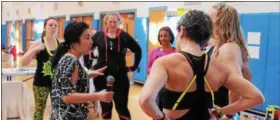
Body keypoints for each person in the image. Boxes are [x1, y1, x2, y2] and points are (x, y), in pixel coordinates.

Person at [139, 10, 264, 120]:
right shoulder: (219, 68)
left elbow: (145, 100)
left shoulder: (165, 63)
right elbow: (256, 97)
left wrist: (160, 118)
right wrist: (221, 112)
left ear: (182, 31)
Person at [50, 22, 113, 120]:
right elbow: (67, 97)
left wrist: (87, 74)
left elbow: (68, 82)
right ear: (74, 41)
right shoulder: (71, 62)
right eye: (87, 38)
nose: (91, 42)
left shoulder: (68, 58)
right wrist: (98, 96)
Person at [91, 11, 142, 120]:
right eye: (110, 21)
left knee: (121, 106)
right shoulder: (99, 36)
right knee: (105, 106)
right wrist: (88, 66)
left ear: (119, 22)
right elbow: (87, 49)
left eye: (115, 21)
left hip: (120, 77)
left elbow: (138, 50)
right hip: (101, 77)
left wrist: (134, 67)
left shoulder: (124, 36)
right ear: (106, 22)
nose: (112, 24)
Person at [208, 3, 252, 118]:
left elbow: (237, 88)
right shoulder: (218, 46)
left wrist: (228, 114)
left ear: (221, 23)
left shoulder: (228, 48)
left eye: (209, 19)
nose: (206, 23)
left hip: (221, 113)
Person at [20, 17, 59, 120]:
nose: (53, 27)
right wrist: (35, 50)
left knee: (57, 109)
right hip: (41, 83)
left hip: (56, 83)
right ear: (45, 27)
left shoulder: (60, 44)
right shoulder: (37, 43)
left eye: (56, 25)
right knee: (39, 109)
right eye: (50, 25)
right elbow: (23, 62)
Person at [147, 26, 176, 112]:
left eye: (165, 36)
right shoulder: (153, 52)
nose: (163, 38)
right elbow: (149, 68)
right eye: (161, 36)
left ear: (170, 37)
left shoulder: (176, 52)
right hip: (157, 85)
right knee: (156, 108)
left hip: (172, 85)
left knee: (169, 108)